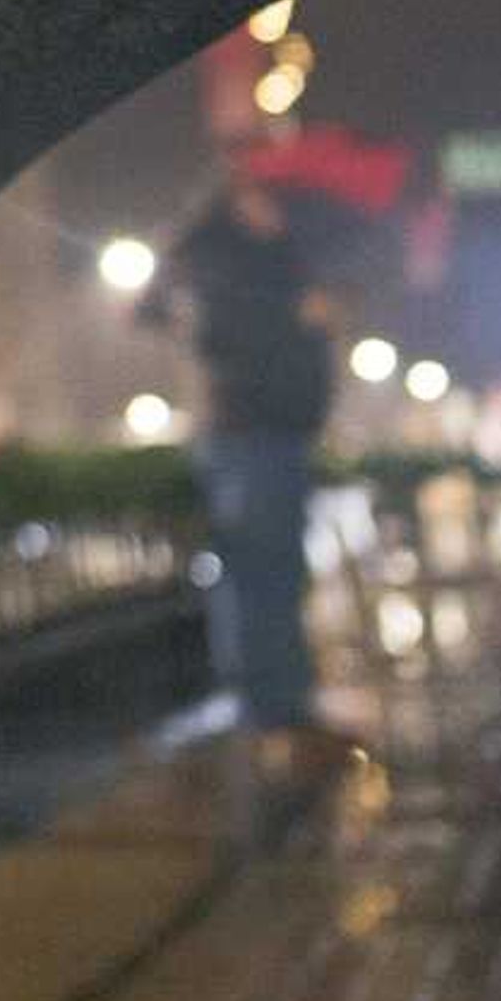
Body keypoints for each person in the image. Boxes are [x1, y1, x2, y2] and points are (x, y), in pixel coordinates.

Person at [149, 175, 351, 774]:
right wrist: (299, 319)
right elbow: (224, 340)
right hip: (252, 435)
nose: (279, 211)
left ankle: (276, 703)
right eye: (268, 199)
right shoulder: (231, 268)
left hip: (273, 434)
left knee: (273, 572)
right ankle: (271, 706)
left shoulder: (269, 262)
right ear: (239, 204)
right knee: (263, 575)